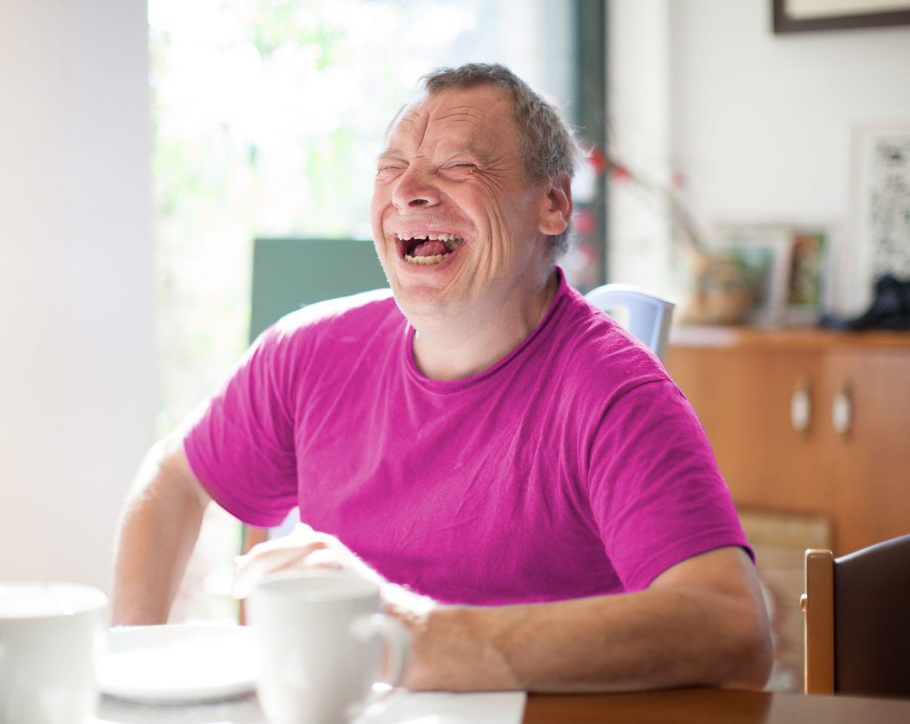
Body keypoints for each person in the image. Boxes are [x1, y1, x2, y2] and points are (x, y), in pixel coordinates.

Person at [112, 63, 772, 693]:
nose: (408, 190)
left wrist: (418, 639)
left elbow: (735, 630)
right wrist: (130, 673)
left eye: (458, 166)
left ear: (552, 203)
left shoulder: (617, 395)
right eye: (391, 168)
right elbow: (174, 475)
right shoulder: (306, 352)